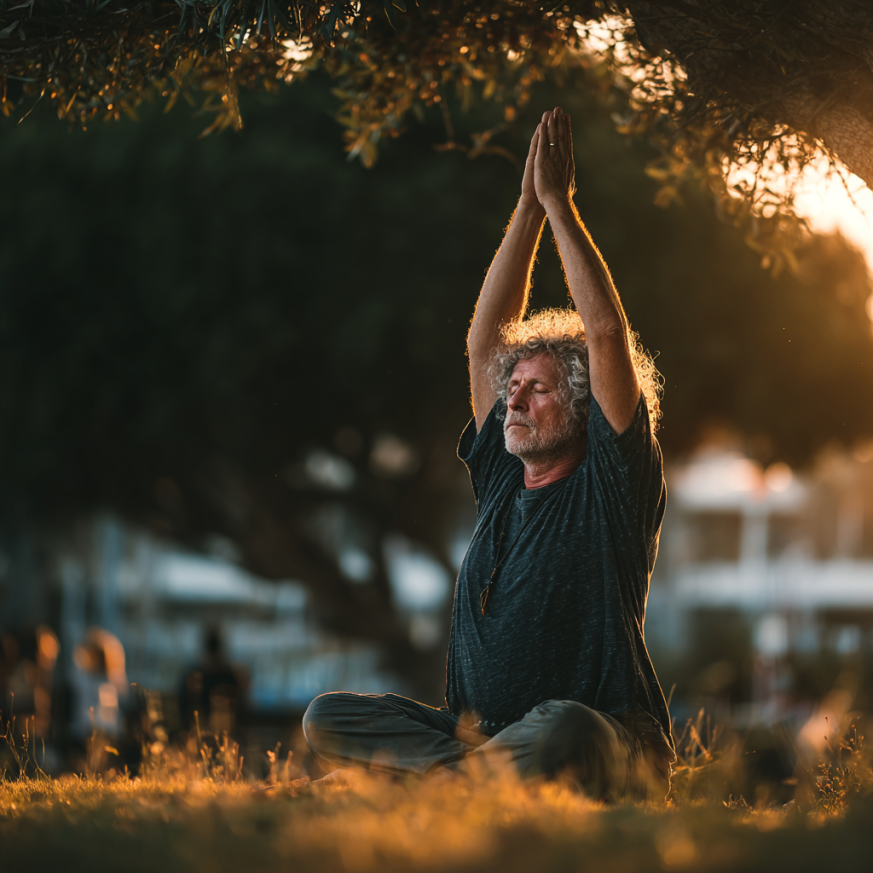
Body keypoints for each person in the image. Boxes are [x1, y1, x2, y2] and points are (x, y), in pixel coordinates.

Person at [303, 107, 675, 801]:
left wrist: (560, 208)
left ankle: (423, 786)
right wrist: (525, 209)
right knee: (328, 713)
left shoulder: (611, 483)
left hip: (602, 735)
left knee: (565, 726)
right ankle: (472, 780)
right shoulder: (504, 477)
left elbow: (602, 335)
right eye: (513, 390)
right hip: (480, 733)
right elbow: (483, 344)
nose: (514, 400)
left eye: (535, 390)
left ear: (582, 406)